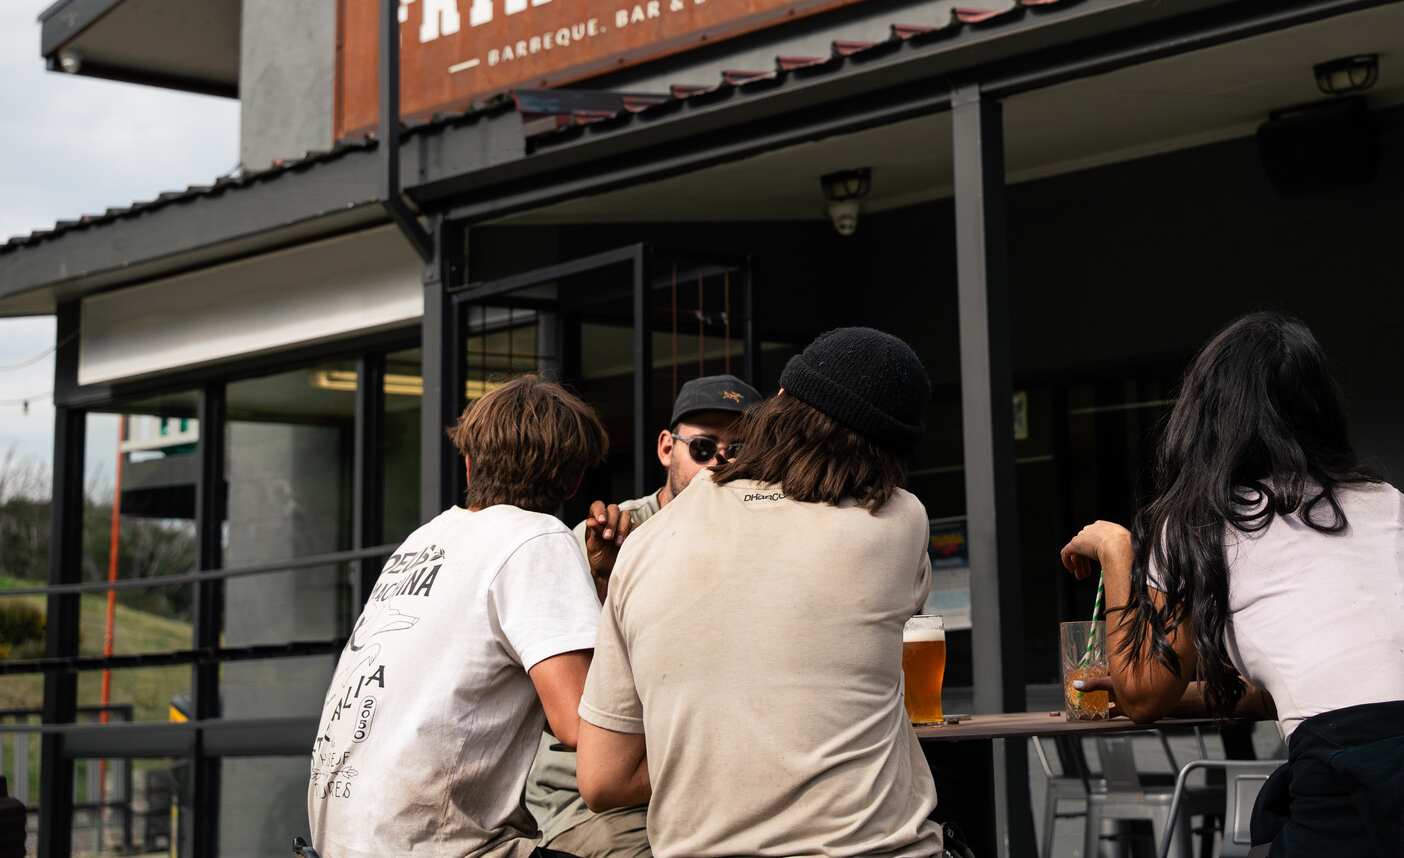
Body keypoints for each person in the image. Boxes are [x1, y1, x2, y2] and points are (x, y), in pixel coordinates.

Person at [1059, 313, 1404, 858]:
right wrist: (1159, 692)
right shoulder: (1388, 502)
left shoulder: (1195, 523)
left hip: (1355, 787)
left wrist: (1118, 550)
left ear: (1206, 414)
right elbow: (1312, 690)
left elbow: (1144, 697)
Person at [575, 327, 942, 858]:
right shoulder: (899, 520)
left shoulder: (645, 541)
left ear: (781, 404)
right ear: (893, 456)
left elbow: (602, 780)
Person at [308, 374, 609, 858]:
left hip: (341, 844)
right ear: (575, 480)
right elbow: (583, 724)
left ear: (469, 465)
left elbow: (536, 703)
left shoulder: (423, 541)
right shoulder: (538, 538)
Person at [523, 374, 763, 858]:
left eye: (738, 450)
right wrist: (603, 585)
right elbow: (564, 713)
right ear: (665, 449)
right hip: (597, 803)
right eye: (702, 446)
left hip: (715, 791)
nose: (720, 460)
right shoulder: (605, 538)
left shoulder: (761, 542)